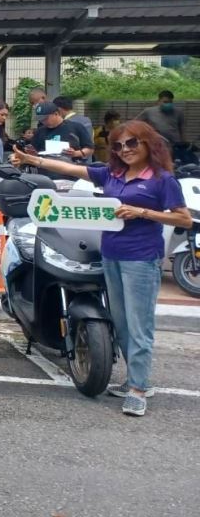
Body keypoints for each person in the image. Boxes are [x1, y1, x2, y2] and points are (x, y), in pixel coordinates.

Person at [12, 122, 190, 416]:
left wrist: (142, 212)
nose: (125, 150)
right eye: (118, 145)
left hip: (142, 259)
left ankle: (138, 390)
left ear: (148, 143)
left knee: (139, 325)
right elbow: (71, 169)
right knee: (120, 321)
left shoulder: (162, 179)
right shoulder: (112, 174)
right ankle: (136, 379)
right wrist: (33, 160)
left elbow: (183, 219)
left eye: (132, 143)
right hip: (110, 256)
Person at [138, 90, 192, 163]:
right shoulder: (149, 112)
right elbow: (135, 123)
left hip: (174, 145)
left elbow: (182, 128)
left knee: (174, 164)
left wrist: (184, 142)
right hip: (157, 145)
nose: (168, 104)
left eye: (170, 102)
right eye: (165, 102)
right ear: (158, 101)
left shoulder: (178, 112)